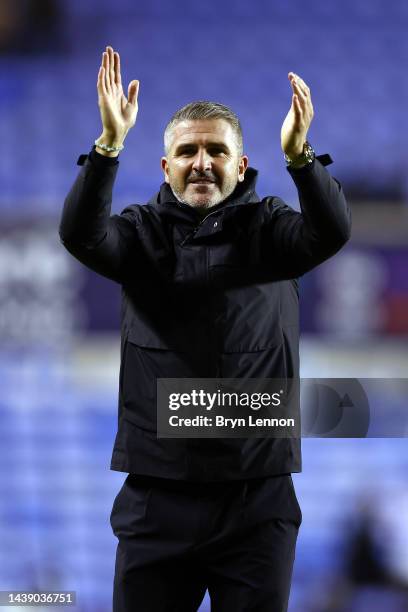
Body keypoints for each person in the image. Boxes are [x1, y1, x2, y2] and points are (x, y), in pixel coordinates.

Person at [59, 45, 351, 612]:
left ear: (240, 165)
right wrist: (107, 147)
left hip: (257, 503)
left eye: (216, 150)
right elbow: (79, 234)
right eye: (186, 151)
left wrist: (301, 158)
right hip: (156, 500)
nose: (201, 162)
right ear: (165, 167)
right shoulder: (138, 233)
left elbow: (332, 232)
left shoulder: (271, 229)